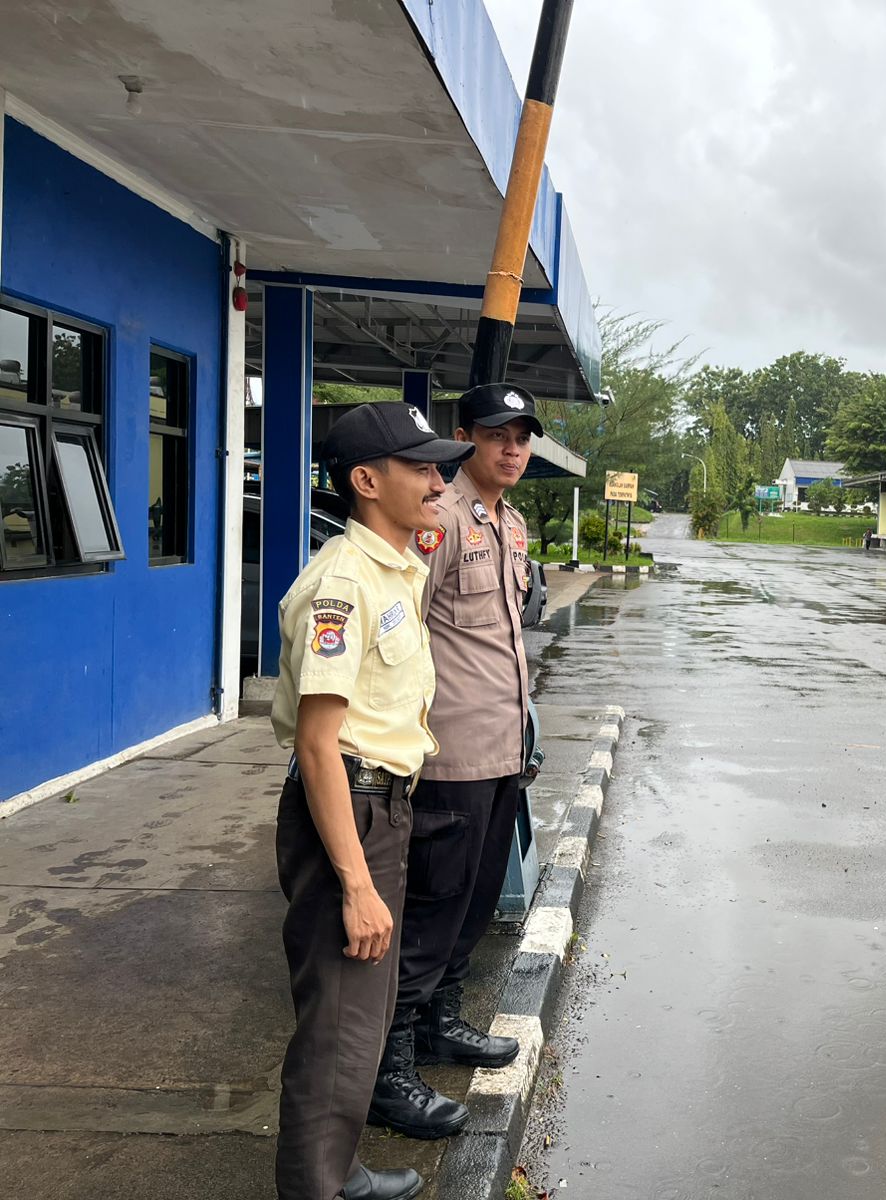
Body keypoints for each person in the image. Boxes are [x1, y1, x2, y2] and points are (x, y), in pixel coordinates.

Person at [271, 402, 474, 1200]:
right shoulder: (343, 584)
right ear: (365, 480)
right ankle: (317, 1188)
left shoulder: (393, 570)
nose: (439, 482)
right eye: (420, 468)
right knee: (339, 1020)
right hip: (347, 808)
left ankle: (338, 1170)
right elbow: (318, 744)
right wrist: (355, 883)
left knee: (362, 1011)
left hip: (380, 805)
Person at [367, 382, 543, 1138]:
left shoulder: (512, 523)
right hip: (449, 755)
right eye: (498, 434)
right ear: (466, 436)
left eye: (522, 438)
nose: (512, 449)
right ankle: (389, 1069)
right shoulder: (436, 520)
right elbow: (401, 630)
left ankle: (442, 1022)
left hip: (502, 749)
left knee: (474, 903)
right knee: (432, 913)